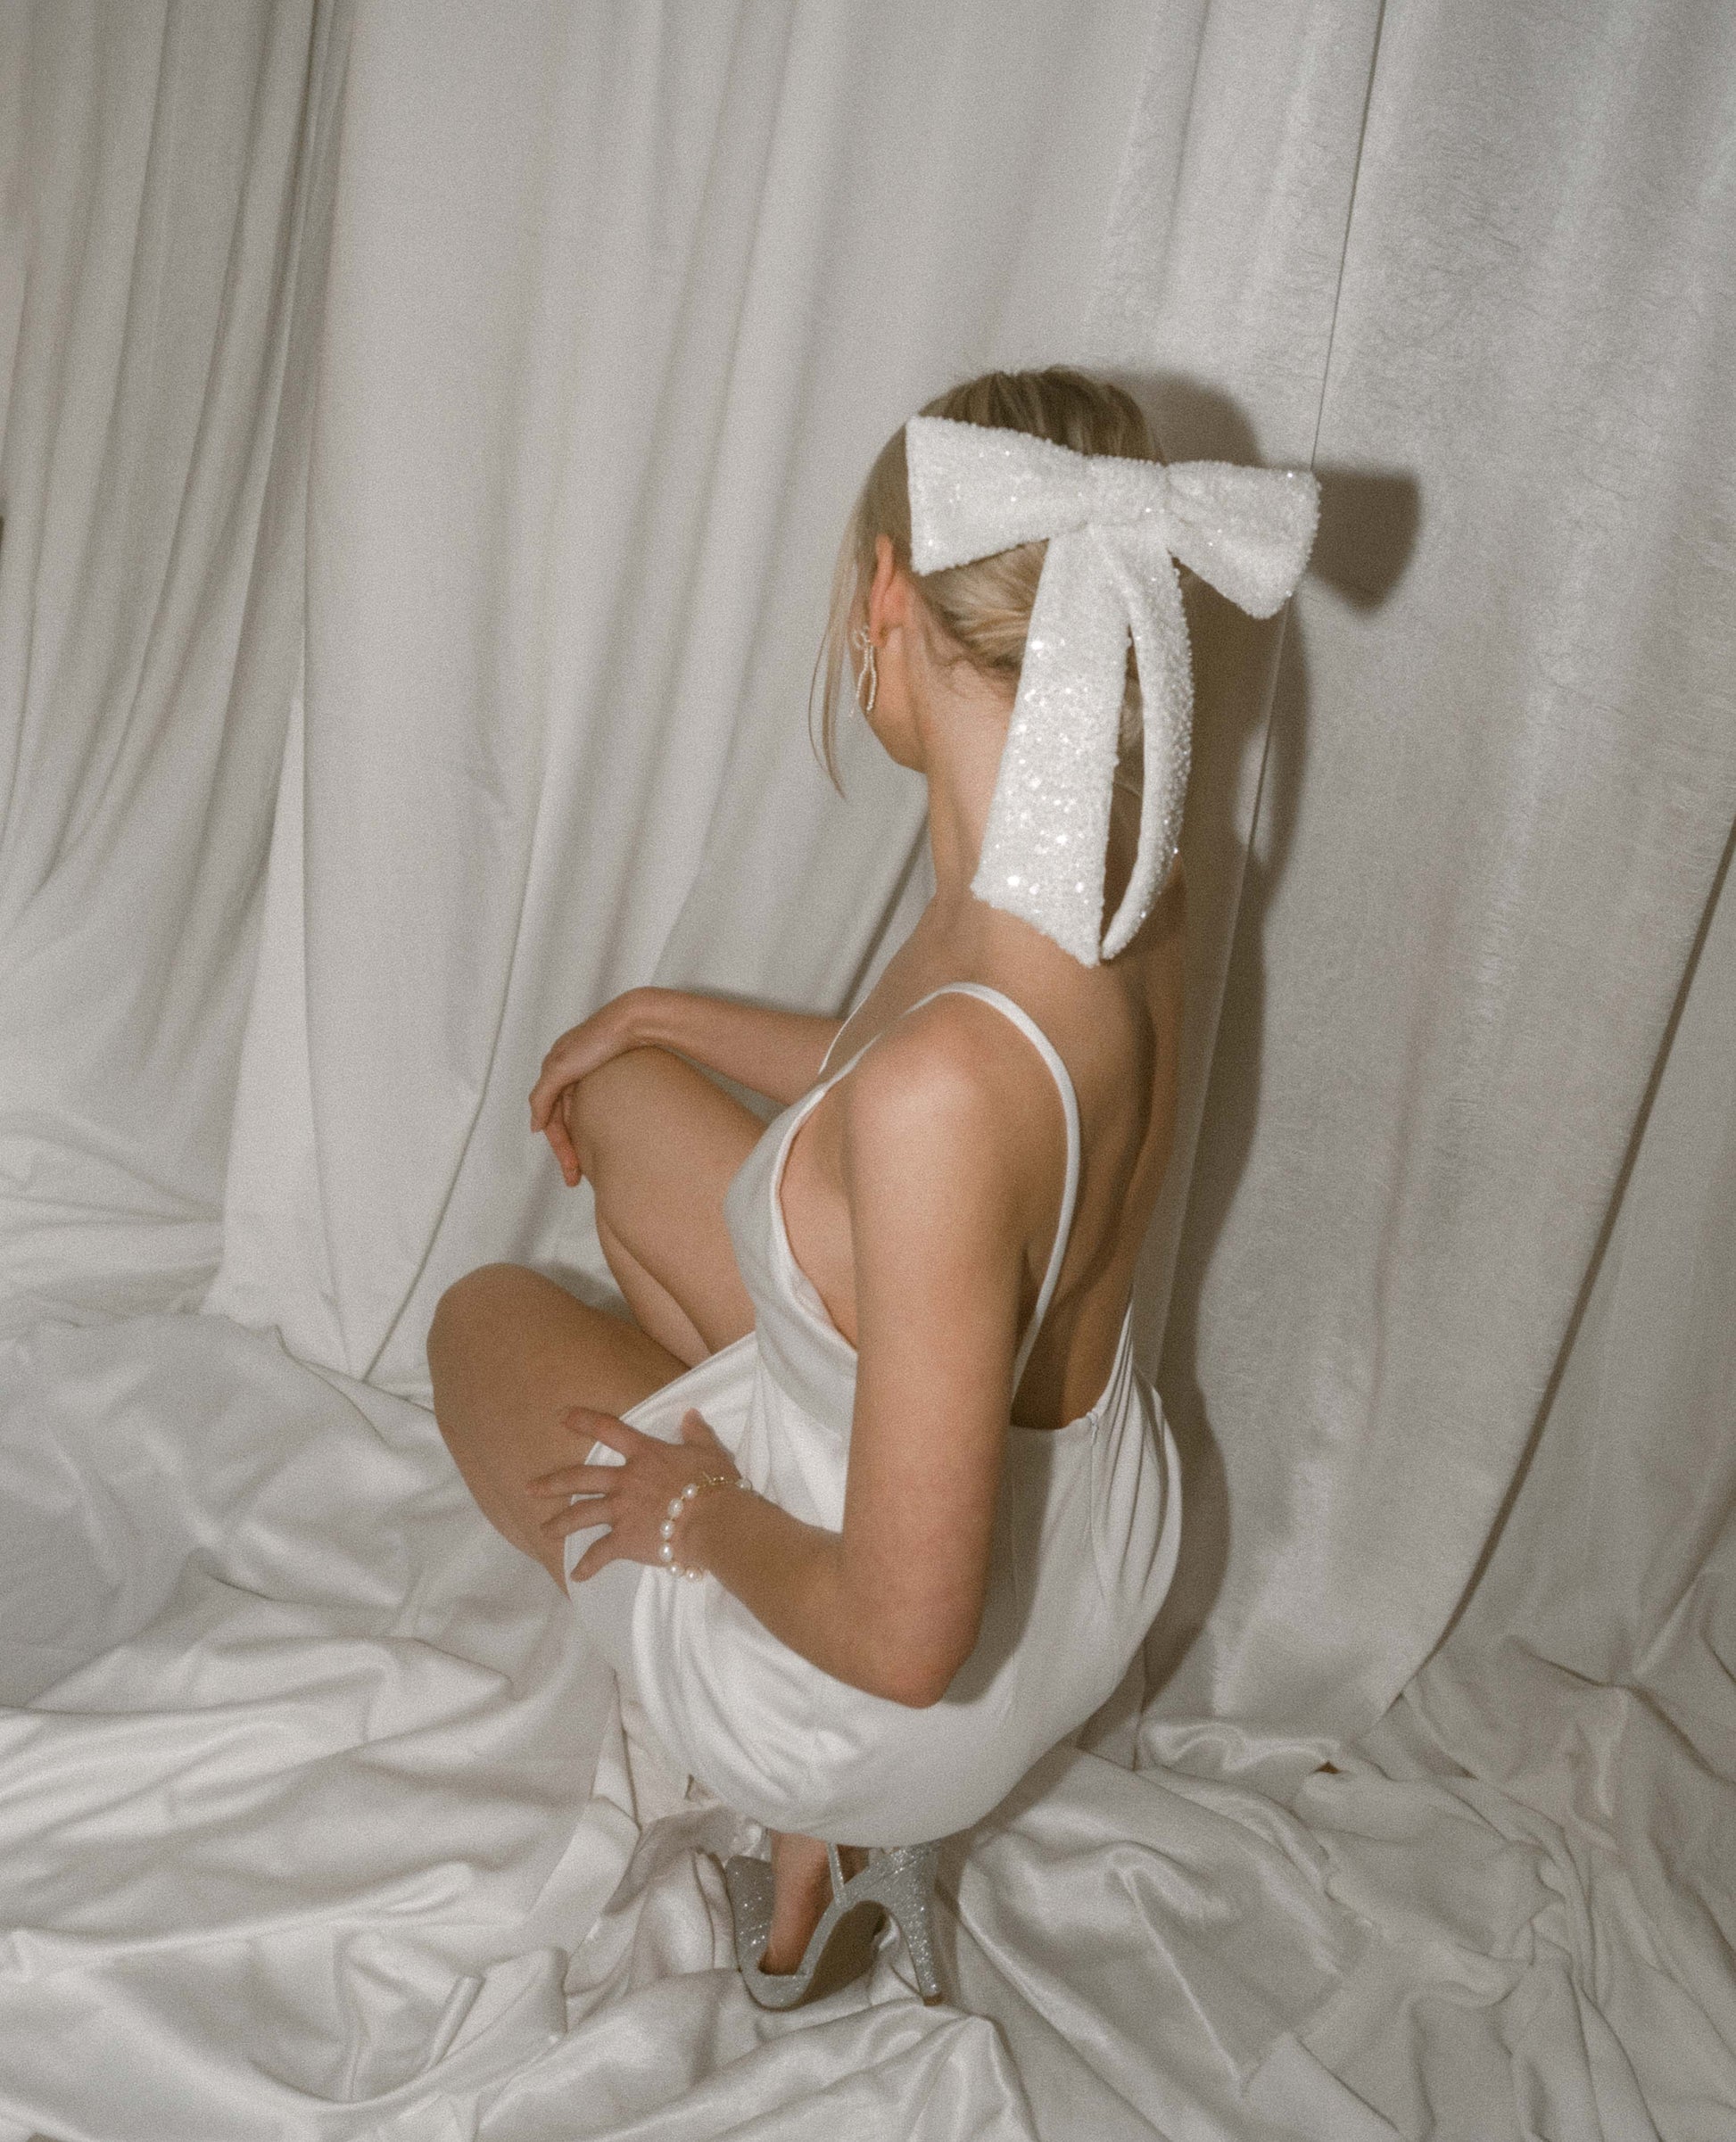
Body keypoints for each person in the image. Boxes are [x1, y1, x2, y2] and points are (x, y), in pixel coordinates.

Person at [427, 366, 1318, 2007]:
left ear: (886, 601)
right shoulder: (1126, 876)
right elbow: (938, 1083)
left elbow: (910, 1629)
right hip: (1086, 1547)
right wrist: (664, 1017)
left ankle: (816, 1831)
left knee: (480, 1324)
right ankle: (822, 1817)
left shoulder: (933, 1104)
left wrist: (693, 1513)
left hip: (899, 1680)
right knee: (629, 1103)